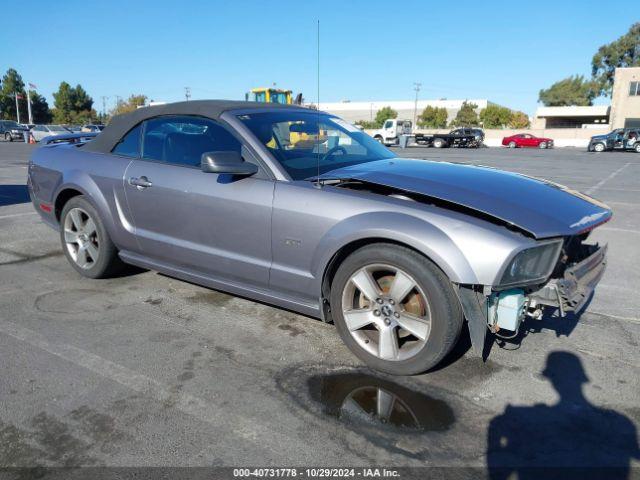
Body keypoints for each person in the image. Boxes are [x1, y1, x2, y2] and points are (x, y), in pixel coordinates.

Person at [487, 351, 639, 479]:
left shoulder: (524, 420)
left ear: (553, 380)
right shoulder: (621, 422)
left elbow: (499, 470)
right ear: (581, 378)